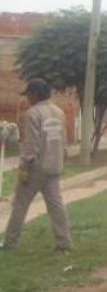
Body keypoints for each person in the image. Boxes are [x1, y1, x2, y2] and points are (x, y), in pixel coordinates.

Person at [3, 78, 72, 252]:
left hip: (36, 167)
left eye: (28, 95)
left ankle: (11, 242)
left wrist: (24, 165)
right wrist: (63, 159)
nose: (27, 99)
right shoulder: (59, 112)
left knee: (20, 204)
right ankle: (64, 243)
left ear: (35, 94)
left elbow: (31, 144)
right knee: (56, 206)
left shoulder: (33, 113)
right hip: (54, 166)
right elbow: (63, 140)